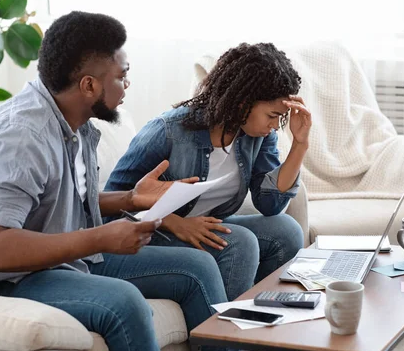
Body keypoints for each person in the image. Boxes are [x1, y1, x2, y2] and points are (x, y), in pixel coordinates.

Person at [0, 11, 244, 351]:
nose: (127, 86)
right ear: (89, 85)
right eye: (122, 76)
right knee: (125, 302)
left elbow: (56, 203)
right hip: (9, 278)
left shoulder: (72, 123)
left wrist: (131, 199)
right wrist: (100, 238)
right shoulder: (21, 138)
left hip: (60, 257)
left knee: (198, 267)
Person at [104, 42, 311, 302]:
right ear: (243, 103)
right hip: (152, 232)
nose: (274, 126)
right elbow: (111, 202)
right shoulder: (167, 130)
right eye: (271, 115)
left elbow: (270, 204)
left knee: (286, 230)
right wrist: (175, 223)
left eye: (279, 118)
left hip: (199, 227)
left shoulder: (256, 136)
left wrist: (300, 144)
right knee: (241, 243)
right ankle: (226, 334)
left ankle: (265, 321)